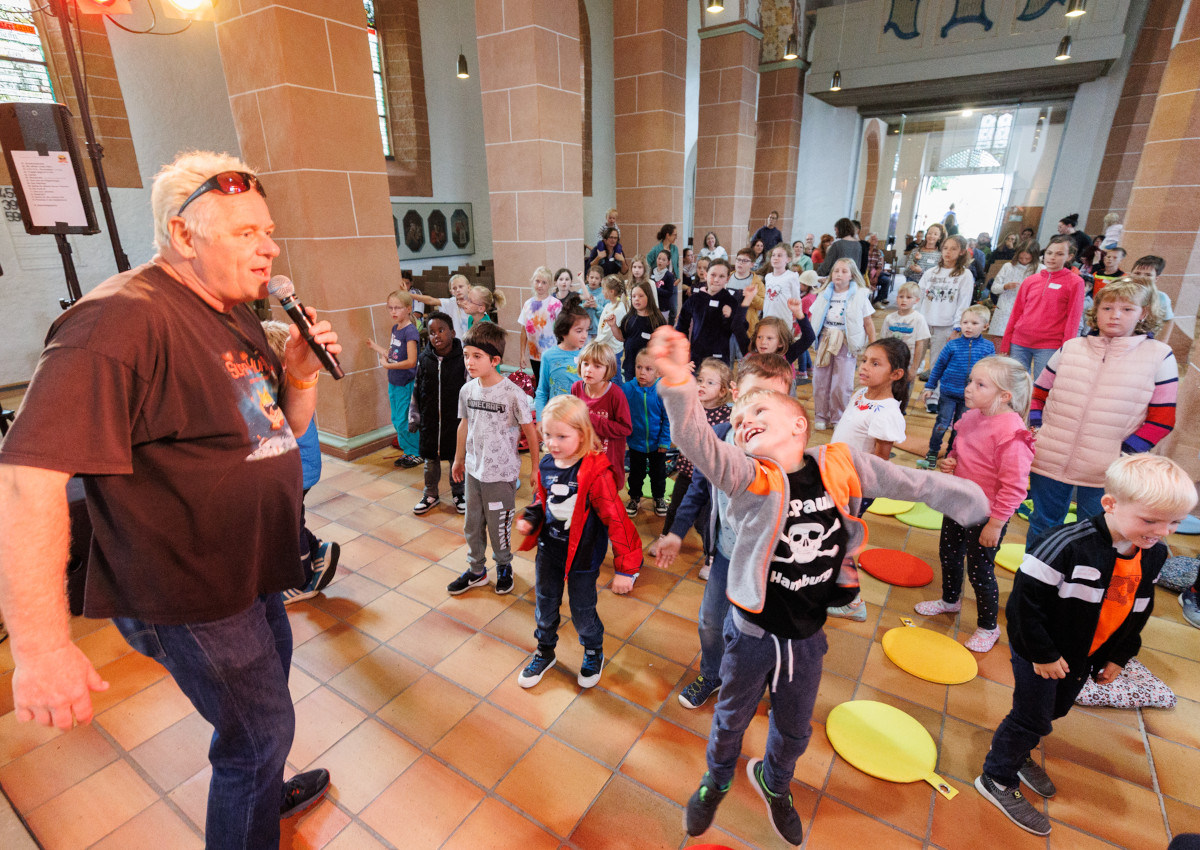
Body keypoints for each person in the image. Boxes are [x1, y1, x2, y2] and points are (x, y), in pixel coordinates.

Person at [0, 152, 339, 847]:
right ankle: (254, 797)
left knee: (266, 704)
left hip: (250, 572)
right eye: (247, 233)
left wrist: (301, 373)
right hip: (191, 589)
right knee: (257, 732)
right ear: (185, 237)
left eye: (268, 230)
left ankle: (264, 791)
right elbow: (25, 477)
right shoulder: (117, 323)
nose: (270, 246)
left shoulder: (234, 314)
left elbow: (283, 431)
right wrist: (39, 648)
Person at [650, 327, 990, 845]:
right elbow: (699, 443)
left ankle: (775, 781)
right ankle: (717, 778)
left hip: (806, 634)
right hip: (754, 632)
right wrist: (677, 380)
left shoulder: (840, 464)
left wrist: (966, 499)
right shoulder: (748, 478)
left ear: (798, 424)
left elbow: (910, 482)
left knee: (795, 728)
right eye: (739, 421)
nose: (744, 425)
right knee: (731, 717)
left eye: (759, 415)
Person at [975, 454, 1197, 836]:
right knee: (1032, 715)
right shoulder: (1064, 546)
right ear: (1110, 504)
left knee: (1056, 709)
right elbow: (1023, 606)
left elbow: (1138, 610)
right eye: (1150, 520)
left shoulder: (1154, 553)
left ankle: (1021, 750)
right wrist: (1042, 655)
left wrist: (1119, 655)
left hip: (1084, 653)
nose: (1162, 531)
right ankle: (997, 776)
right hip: (1039, 650)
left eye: (1174, 522)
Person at [657, 354, 799, 710]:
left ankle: (757, 682)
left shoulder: (790, 451)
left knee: (760, 630)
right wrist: (676, 532)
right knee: (710, 620)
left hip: (767, 562)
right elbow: (699, 488)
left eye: (774, 400)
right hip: (725, 552)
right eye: (755, 397)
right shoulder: (721, 435)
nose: (763, 410)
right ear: (736, 392)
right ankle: (712, 673)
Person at [1025, 278, 1177, 540]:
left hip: (1108, 469)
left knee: (1097, 533)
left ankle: (1081, 582)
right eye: (1107, 308)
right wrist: (1038, 428)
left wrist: (1125, 453)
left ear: (1144, 313)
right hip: (1050, 456)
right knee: (1043, 524)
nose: (1114, 316)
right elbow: (1037, 394)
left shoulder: (1160, 355)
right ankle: (1034, 580)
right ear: (1097, 311)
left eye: (1127, 309)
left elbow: (1162, 418)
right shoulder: (1072, 348)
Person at [513, 395, 642, 689]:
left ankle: (593, 650)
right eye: (547, 435)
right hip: (549, 552)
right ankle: (545, 652)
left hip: (583, 558)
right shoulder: (547, 464)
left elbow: (617, 519)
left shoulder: (595, 472)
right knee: (545, 605)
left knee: (583, 611)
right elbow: (541, 501)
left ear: (582, 435)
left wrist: (626, 569)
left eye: (561, 436)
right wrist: (531, 518)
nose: (552, 442)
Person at [917, 356, 1034, 652]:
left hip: (986, 514)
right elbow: (958, 450)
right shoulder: (971, 417)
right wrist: (951, 463)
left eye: (980, 384)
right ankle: (950, 600)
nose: (968, 389)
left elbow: (1015, 487)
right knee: (949, 553)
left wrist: (995, 523)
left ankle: (988, 627)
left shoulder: (1011, 434)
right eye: (971, 381)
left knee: (980, 570)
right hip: (960, 502)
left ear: (1004, 396)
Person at [448, 321, 540, 596]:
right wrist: (458, 458)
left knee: (498, 523)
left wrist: (534, 468)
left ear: (495, 360)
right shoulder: (467, 390)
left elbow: (530, 432)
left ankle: (503, 566)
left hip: (501, 474)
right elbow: (464, 424)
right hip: (475, 470)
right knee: (472, 523)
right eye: (466, 355)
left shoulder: (514, 394)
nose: (470, 362)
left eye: (477, 356)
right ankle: (476, 570)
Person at [652, 357, 732, 563]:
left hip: (710, 480)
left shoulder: (727, 415)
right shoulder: (689, 404)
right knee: (674, 509)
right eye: (700, 380)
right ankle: (665, 538)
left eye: (710, 383)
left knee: (704, 521)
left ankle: (711, 555)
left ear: (723, 391)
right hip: (687, 471)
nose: (702, 385)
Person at [918, 305, 996, 468]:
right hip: (948, 393)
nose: (968, 326)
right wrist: (930, 387)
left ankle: (951, 454)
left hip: (970, 397)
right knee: (941, 424)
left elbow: (991, 372)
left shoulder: (988, 347)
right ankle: (932, 452)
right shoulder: (952, 345)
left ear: (985, 326)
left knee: (960, 428)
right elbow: (938, 367)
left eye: (974, 323)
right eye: (965, 322)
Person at [998, 234, 1084, 380]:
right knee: (1015, 385)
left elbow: (1073, 320)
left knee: (1041, 387)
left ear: (1069, 257)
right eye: (1049, 253)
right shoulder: (1030, 281)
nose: (1052, 257)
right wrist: (1006, 343)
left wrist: (1066, 350)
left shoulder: (1075, 282)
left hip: (1049, 345)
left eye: (1059, 254)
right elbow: (1016, 313)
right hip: (1019, 342)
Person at [810, 258, 877, 430]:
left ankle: (838, 417)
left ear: (852, 276)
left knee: (842, 383)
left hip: (846, 341)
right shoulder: (824, 294)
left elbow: (868, 323)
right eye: (836, 271)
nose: (839, 274)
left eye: (844, 271)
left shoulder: (860, 296)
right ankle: (821, 415)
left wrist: (874, 345)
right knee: (821, 380)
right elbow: (815, 317)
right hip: (826, 339)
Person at [411, 311, 468, 516]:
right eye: (432, 332)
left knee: (457, 459)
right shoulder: (425, 359)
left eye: (441, 330)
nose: (437, 336)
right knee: (430, 462)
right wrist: (414, 416)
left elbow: (470, 390)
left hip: (455, 423)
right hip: (431, 423)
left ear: (452, 332)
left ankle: (460, 493)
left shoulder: (463, 359)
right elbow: (417, 389)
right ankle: (430, 494)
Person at [916, 233, 975, 410]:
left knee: (937, 363)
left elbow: (963, 303)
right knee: (914, 360)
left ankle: (933, 397)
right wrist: (915, 320)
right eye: (946, 248)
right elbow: (918, 297)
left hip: (946, 325)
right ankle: (902, 394)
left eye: (953, 249)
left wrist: (957, 327)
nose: (948, 252)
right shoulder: (930, 272)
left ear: (962, 252)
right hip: (924, 322)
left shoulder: (965, 275)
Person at [830, 338, 910, 461]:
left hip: (853, 475)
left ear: (895, 374)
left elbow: (879, 463)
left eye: (875, 364)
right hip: (836, 466)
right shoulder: (861, 393)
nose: (864, 367)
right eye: (864, 360)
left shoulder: (887, 414)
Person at [367, 289, 422, 468]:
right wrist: (375, 347)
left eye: (397, 308)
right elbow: (394, 354)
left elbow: (411, 361)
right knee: (397, 419)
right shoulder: (395, 329)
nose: (393, 312)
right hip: (395, 381)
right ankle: (408, 451)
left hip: (406, 382)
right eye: (390, 308)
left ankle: (416, 452)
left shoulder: (410, 332)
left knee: (405, 419)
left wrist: (389, 366)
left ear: (408, 308)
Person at [622, 348, 671, 517]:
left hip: (658, 444)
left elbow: (668, 419)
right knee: (636, 474)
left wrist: (665, 441)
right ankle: (634, 498)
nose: (642, 372)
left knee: (659, 474)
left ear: (658, 372)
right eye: (638, 367)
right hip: (636, 443)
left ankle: (659, 497)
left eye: (648, 369)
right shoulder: (627, 389)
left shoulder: (662, 391)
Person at [675, 257, 741, 370]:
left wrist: (732, 317)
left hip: (719, 359)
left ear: (727, 279)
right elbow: (681, 327)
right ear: (706, 275)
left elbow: (741, 329)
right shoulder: (695, 299)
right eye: (713, 275)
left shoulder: (731, 301)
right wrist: (682, 355)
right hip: (697, 357)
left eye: (721, 276)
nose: (716, 280)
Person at [534, 306, 591, 418]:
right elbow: (542, 392)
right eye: (579, 331)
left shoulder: (589, 355)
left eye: (587, 330)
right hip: (556, 416)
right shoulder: (549, 356)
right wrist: (540, 419)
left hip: (581, 418)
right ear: (564, 331)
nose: (584, 335)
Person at [610, 279, 667, 382]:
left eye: (641, 296)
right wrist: (613, 326)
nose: (636, 299)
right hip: (631, 366)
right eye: (634, 296)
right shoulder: (628, 318)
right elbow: (622, 337)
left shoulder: (657, 319)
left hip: (650, 368)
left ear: (649, 297)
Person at [988, 240, 1042, 344]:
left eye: (1027, 258)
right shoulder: (1008, 266)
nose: (1024, 260)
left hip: (1026, 311)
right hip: (1005, 309)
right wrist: (1005, 286)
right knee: (999, 343)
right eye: (1021, 258)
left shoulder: (1040, 269)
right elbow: (994, 288)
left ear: (1034, 257)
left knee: (1018, 344)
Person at [517, 266, 563, 383]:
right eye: (537, 281)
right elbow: (524, 330)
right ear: (533, 281)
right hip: (534, 354)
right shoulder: (528, 304)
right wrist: (522, 353)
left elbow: (563, 330)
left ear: (550, 285)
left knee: (552, 383)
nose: (540, 285)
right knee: (539, 382)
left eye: (544, 282)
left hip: (552, 353)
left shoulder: (555, 304)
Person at [881, 281, 931, 383]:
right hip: (890, 363)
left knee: (904, 393)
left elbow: (920, 345)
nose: (904, 300)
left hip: (908, 364)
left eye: (908, 297)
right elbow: (883, 342)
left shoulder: (918, 319)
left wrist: (914, 369)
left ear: (916, 300)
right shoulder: (889, 318)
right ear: (896, 298)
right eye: (901, 296)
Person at [1129, 255, 1175, 343]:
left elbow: (1169, 320)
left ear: (1156, 278)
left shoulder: (1161, 297)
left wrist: (1163, 341)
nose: (1141, 277)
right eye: (1137, 273)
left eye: (1148, 275)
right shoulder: (1121, 293)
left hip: (1145, 340)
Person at [411, 273, 471, 337]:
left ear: (468, 287)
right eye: (454, 288)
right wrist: (409, 295)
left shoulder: (476, 301)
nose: (458, 290)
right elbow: (430, 300)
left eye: (461, 286)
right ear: (451, 292)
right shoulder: (451, 302)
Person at [594, 274, 628, 374]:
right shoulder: (609, 305)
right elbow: (602, 326)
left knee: (615, 375)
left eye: (604, 289)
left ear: (611, 291)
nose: (602, 291)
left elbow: (608, 333)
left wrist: (595, 343)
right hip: (607, 348)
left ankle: (619, 390)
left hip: (613, 350)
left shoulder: (618, 309)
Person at [903, 222, 944, 288]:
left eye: (935, 234)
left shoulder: (941, 255)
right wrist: (914, 262)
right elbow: (906, 273)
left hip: (929, 287)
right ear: (926, 235)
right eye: (929, 233)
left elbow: (938, 277)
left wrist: (921, 272)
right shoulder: (915, 251)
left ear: (940, 237)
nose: (931, 236)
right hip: (912, 286)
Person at [650, 245, 678, 322]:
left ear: (668, 262)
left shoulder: (669, 275)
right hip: (652, 305)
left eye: (663, 260)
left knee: (662, 326)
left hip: (663, 307)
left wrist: (656, 290)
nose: (660, 261)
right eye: (659, 259)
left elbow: (669, 293)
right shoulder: (652, 271)